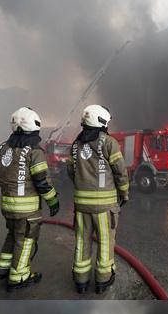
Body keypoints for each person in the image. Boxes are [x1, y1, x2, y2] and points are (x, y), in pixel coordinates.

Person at [0, 107, 59, 291]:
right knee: (26, 240)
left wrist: (10, 189)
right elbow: (42, 181)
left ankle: (2, 270)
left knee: (12, 236)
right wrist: (53, 200)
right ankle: (19, 276)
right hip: (27, 210)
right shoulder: (35, 151)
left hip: (7, 205)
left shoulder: (3, 147)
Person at [66, 105, 129, 295]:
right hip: (104, 207)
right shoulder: (109, 142)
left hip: (82, 206)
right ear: (101, 121)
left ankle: (81, 281)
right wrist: (124, 193)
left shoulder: (76, 145)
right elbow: (120, 171)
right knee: (105, 242)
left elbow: (70, 171)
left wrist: (83, 186)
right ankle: (102, 281)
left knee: (81, 241)